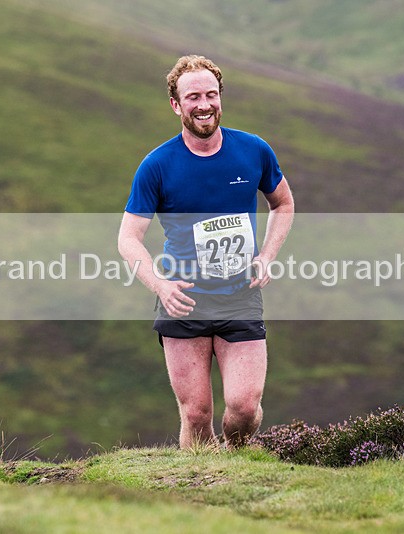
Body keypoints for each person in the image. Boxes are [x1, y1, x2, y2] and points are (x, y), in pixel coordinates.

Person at [118, 55, 294, 449]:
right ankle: (200, 490)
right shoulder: (157, 165)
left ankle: (235, 455)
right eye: (193, 96)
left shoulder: (253, 150)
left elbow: (282, 203)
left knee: (244, 407)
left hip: (239, 295)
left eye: (211, 94)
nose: (204, 104)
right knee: (196, 414)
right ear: (176, 105)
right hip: (183, 300)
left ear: (220, 98)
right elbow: (128, 237)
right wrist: (159, 286)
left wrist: (266, 255)